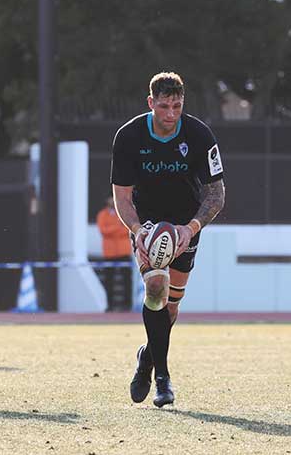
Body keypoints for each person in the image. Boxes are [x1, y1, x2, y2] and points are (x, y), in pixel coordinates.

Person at [111, 72, 225, 407]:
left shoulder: (200, 135)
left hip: (185, 226)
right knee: (156, 290)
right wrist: (138, 231)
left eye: (177, 105)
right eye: (164, 106)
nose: (171, 113)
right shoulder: (129, 136)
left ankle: (146, 356)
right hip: (147, 226)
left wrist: (189, 229)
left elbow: (216, 194)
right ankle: (162, 378)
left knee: (171, 309)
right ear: (151, 103)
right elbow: (122, 197)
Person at [96, 195, 133, 311]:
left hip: (124, 251)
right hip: (109, 253)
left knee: (127, 280)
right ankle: (110, 305)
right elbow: (103, 230)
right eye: (110, 198)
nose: (112, 200)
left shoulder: (124, 212)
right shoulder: (102, 214)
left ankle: (127, 305)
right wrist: (118, 227)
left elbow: (128, 229)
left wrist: (113, 230)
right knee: (109, 280)